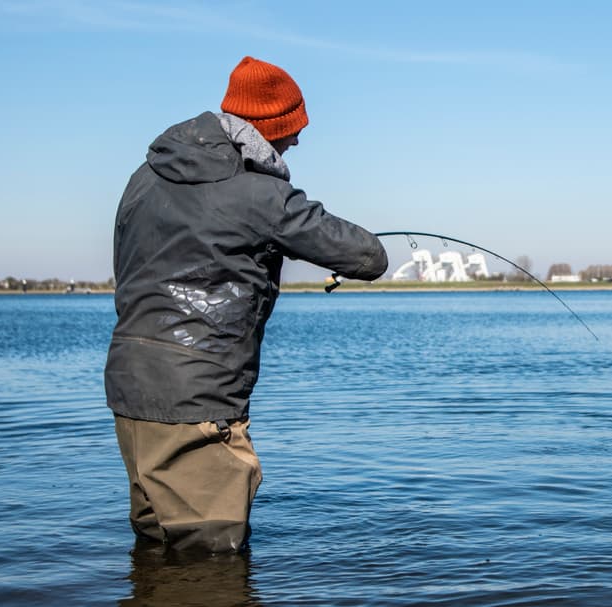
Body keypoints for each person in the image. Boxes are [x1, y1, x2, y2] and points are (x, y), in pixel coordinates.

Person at [105, 56, 388, 552]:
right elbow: (368, 256)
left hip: (130, 388)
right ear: (272, 128)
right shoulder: (261, 195)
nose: (297, 141)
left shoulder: (142, 179)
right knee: (209, 563)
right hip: (198, 397)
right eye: (293, 130)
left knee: (156, 550)